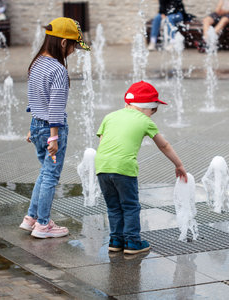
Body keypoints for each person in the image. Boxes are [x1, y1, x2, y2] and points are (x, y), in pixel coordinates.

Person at [95, 81, 188, 254]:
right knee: (130, 206)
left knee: (113, 206)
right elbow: (164, 145)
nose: (152, 115)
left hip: (102, 167)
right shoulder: (145, 120)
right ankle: (132, 242)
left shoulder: (110, 117)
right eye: (153, 111)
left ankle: (115, 241)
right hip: (124, 168)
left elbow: (102, 143)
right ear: (148, 107)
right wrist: (179, 165)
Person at [19, 17, 90, 238]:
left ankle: (31, 217)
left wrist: (33, 126)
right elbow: (56, 107)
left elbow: (34, 98)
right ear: (62, 43)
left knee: (45, 172)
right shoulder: (58, 69)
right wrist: (54, 137)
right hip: (52, 127)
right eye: (74, 46)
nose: (74, 51)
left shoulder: (37, 62)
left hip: (37, 124)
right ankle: (43, 225)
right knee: (51, 176)